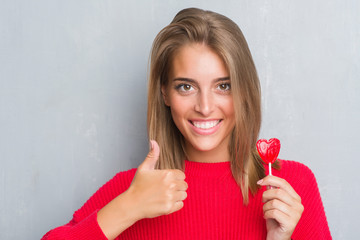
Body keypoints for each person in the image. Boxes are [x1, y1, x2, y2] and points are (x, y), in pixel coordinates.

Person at [42, 8, 332, 240]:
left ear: (245, 91)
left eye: (223, 86)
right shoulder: (133, 190)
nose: (205, 107)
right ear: (164, 92)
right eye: (186, 87)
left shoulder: (291, 187)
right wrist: (128, 207)